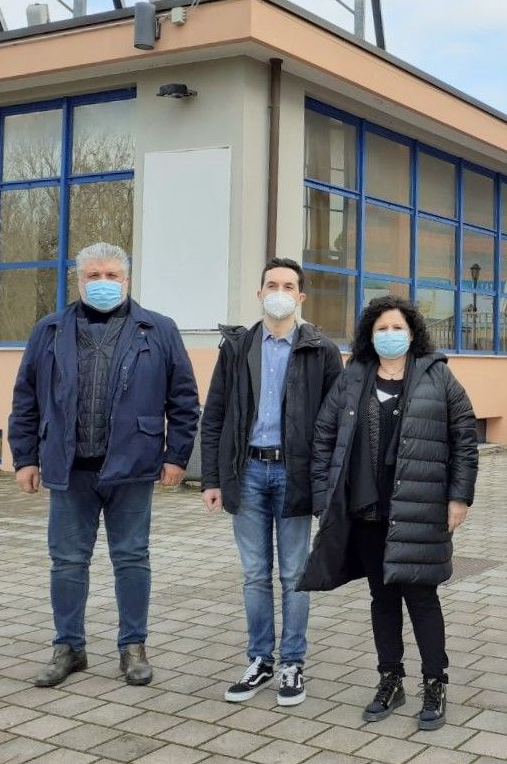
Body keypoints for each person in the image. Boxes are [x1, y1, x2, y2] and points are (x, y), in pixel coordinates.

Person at [8, 242, 200, 688]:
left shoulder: (159, 329)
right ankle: (68, 648)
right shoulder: (49, 330)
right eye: (93, 276)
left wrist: (177, 456)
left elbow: (184, 400)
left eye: (112, 275)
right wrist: (25, 458)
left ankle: (133, 648)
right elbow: (26, 398)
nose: (103, 283)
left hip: (133, 466)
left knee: (131, 558)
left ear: (127, 279)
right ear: (78, 280)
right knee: (67, 561)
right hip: (69, 468)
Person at [298, 295, 478, 731]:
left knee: (422, 598)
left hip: (419, 510)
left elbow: (464, 439)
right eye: (382, 329)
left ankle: (434, 683)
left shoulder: (437, 375)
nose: (390, 335)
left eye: (398, 327)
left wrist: (459, 497)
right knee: (382, 599)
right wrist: (324, 498)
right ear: (369, 335)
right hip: (366, 511)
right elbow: (323, 437)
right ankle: (390, 680)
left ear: (412, 333)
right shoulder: (353, 376)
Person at [200, 258, 343, 707]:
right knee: (254, 575)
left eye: (288, 286)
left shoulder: (321, 351)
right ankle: (260, 660)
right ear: (259, 293)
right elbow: (215, 415)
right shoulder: (237, 347)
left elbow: (336, 423)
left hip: (294, 475)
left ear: (300, 297)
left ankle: (292, 663)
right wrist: (212, 479)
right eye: (271, 285)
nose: (279, 292)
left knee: (294, 574)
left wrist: (327, 485)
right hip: (247, 472)